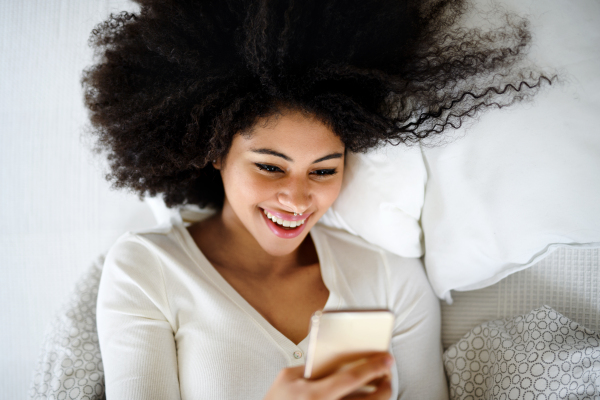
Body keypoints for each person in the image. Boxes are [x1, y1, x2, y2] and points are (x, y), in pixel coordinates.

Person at [83, 0, 550, 398]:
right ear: (216, 154)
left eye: (324, 170)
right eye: (269, 166)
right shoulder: (145, 270)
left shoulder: (390, 280)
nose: (298, 197)